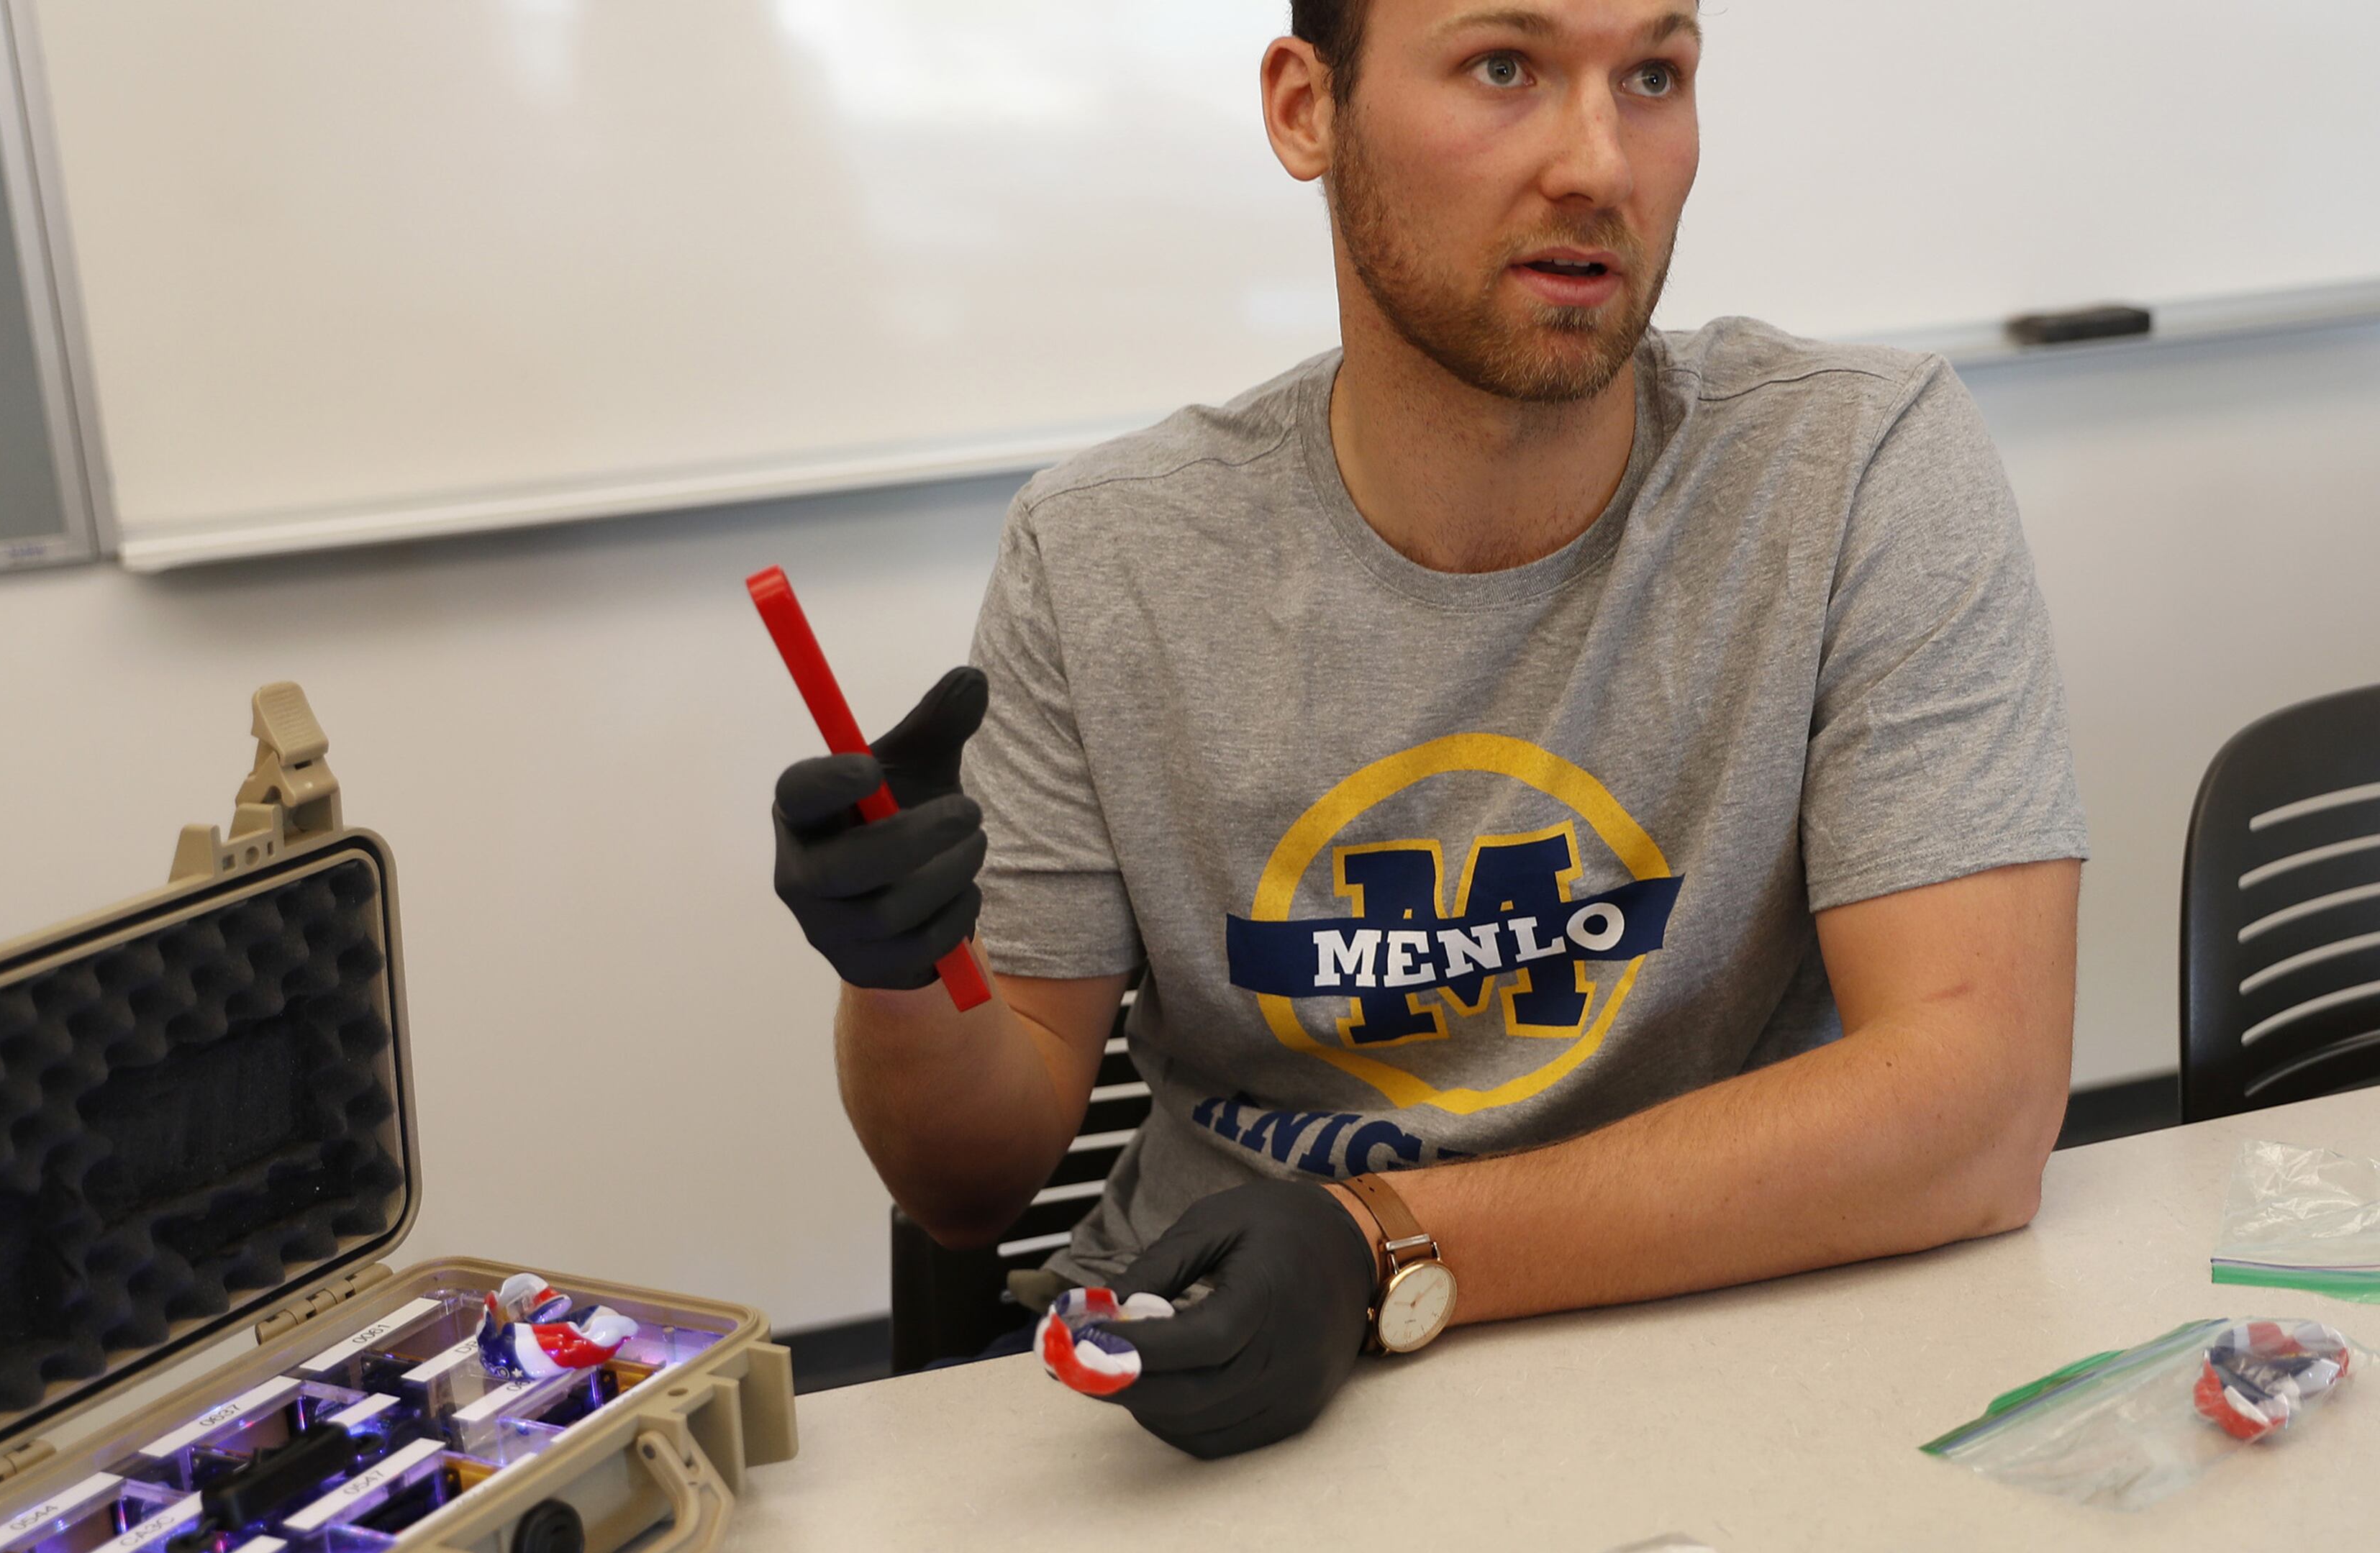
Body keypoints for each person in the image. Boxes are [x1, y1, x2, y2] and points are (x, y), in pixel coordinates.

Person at [770, 0, 2085, 1459]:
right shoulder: (1107, 557)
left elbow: (1977, 1106)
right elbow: (970, 1185)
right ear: (1304, 109)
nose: (1599, 163)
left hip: (1715, 1332)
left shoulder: (1856, 466)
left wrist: (1384, 1244)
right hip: (1225, 1363)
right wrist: (902, 979)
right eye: (1504, 67)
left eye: (1653, 75)